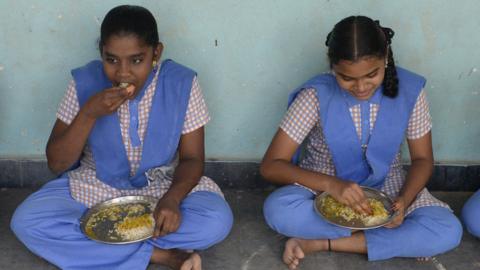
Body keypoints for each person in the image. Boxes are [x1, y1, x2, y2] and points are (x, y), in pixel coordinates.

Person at [10, 5, 232, 270]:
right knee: (27, 222)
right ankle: (160, 255)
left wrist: (172, 200)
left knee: (216, 221)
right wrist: (89, 114)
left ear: (156, 53)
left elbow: (193, 158)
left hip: (164, 186)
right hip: (96, 186)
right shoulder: (84, 81)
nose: (123, 73)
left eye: (136, 60)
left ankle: (101, 248)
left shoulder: (181, 83)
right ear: (101, 53)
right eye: (111, 59)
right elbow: (56, 164)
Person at [260, 15, 462, 269]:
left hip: (389, 191)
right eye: (347, 78)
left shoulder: (410, 90)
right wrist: (332, 185)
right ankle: (396, 242)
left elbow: (423, 160)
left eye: (372, 74)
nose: (361, 87)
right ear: (332, 67)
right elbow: (271, 166)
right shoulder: (315, 95)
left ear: (386, 57)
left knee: (447, 230)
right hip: (322, 190)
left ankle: (319, 242)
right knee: (278, 211)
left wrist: (404, 201)